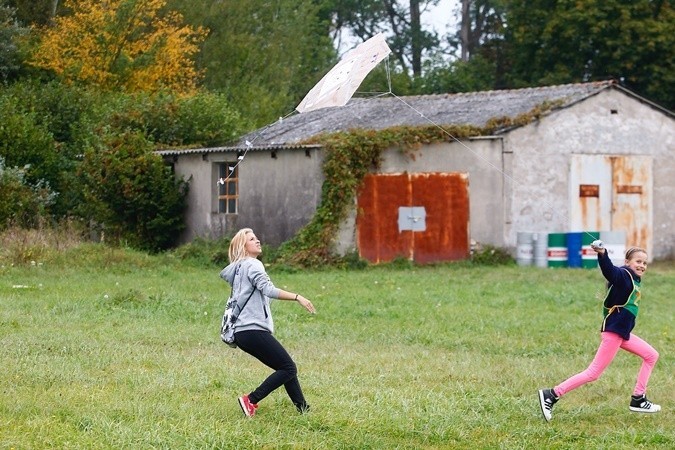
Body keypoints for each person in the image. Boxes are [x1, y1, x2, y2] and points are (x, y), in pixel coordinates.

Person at [538, 244, 661, 421]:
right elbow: (610, 271)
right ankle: (551, 394)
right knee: (593, 373)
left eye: (645, 262)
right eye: (638, 261)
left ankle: (638, 399)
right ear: (627, 262)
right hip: (613, 333)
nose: (642, 265)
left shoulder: (633, 280)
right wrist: (603, 254)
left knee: (651, 355)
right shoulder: (624, 276)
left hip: (622, 333)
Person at [220, 228, 316, 418]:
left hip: (242, 333)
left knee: (285, 367)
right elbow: (269, 290)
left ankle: (303, 409)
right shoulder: (253, 265)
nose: (258, 241)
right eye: (252, 239)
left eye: (256, 237)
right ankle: (251, 399)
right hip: (252, 329)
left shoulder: (240, 269)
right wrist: (298, 297)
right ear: (243, 247)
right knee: (288, 367)